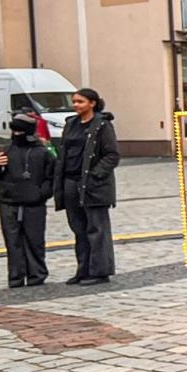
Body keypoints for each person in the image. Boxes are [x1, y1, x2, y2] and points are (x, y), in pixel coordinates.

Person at [55, 87, 119, 286]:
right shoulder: (71, 124)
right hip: (71, 182)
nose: (76, 105)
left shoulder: (102, 125)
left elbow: (112, 155)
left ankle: (100, 271)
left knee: (96, 229)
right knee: (79, 229)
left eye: (80, 101)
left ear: (92, 103)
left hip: (93, 185)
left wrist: (96, 174)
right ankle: (83, 270)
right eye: (74, 101)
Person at [0, 109, 54, 287]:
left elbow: (51, 178)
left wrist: (41, 194)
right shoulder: (5, 150)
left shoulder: (42, 153)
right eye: (14, 131)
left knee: (35, 241)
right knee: (12, 242)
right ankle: (16, 276)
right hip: (9, 202)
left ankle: (36, 275)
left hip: (34, 204)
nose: (16, 134)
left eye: (19, 131)